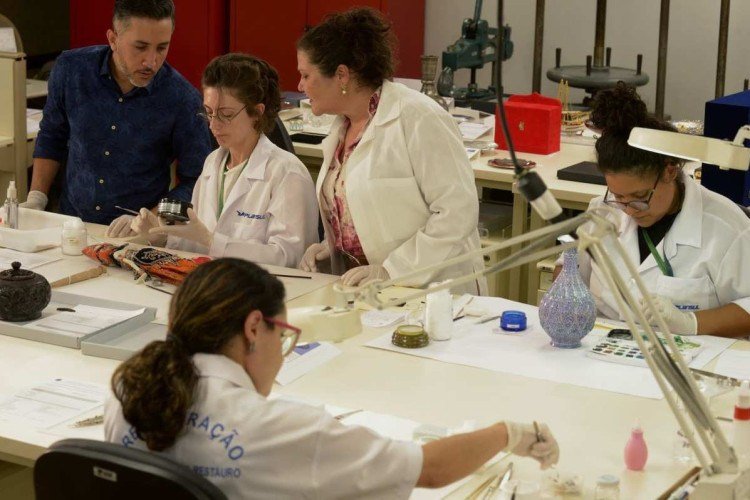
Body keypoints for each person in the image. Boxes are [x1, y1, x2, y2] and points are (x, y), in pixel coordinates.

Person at [104, 258, 559, 498]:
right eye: (283, 335)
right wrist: (508, 433)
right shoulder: (279, 430)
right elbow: (431, 469)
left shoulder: (128, 392)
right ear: (253, 329)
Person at [295, 8, 486, 295]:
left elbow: (457, 212)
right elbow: (369, 213)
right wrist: (332, 248)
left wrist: (393, 270)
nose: (300, 85)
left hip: (434, 293)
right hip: (371, 295)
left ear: (342, 75)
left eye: (306, 75)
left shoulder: (418, 116)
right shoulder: (342, 127)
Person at [560, 83, 750, 338]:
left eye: (640, 197)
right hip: (602, 349)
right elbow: (568, 270)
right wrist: (566, 294)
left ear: (670, 171)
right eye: (618, 197)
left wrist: (691, 323)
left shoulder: (726, 228)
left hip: (683, 355)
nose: (629, 210)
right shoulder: (603, 211)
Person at [27, 0, 212, 232]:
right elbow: (52, 136)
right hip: (71, 226)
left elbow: (198, 181)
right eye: (140, 47)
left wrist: (152, 218)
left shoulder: (183, 99)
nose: (151, 61)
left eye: (161, 48)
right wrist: (37, 197)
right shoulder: (71, 69)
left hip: (138, 235)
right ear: (113, 39)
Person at [128, 54, 318, 267]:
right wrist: (159, 236)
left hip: (262, 285)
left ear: (257, 112)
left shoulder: (287, 173)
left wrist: (212, 241)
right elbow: (196, 243)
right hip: (211, 280)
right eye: (209, 113)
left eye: (226, 114)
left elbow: (289, 259)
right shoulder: (213, 163)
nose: (213, 125)